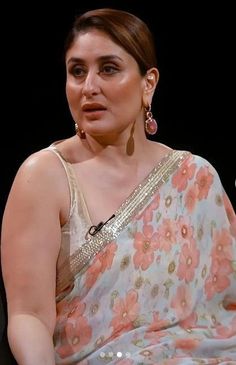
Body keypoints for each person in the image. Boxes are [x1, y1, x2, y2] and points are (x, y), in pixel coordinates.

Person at [1, 7, 236, 365]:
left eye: (108, 69)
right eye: (77, 71)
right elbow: (28, 316)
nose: (89, 87)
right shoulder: (44, 176)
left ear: (148, 83)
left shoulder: (195, 177)